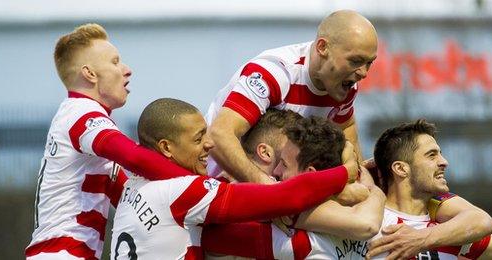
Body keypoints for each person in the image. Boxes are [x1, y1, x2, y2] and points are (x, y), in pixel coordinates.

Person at [26, 24, 208, 259]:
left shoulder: (80, 117)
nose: (127, 70)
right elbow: (134, 157)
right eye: (114, 62)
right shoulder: (81, 113)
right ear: (90, 74)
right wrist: (206, 187)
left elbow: (132, 194)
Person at [110, 98, 360, 259]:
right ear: (166, 148)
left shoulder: (132, 185)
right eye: (198, 139)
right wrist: (347, 172)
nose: (209, 144)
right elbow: (286, 197)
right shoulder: (184, 192)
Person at [206, 10, 378, 183]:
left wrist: (359, 174)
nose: (363, 73)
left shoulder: (343, 83)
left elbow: (347, 124)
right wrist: (270, 190)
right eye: (355, 61)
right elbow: (218, 135)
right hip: (215, 182)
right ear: (322, 47)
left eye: (369, 62)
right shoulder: (275, 73)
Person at [202, 116, 385, 259]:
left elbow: (366, 224)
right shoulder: (371, 208)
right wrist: (366, 189)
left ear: (311, 174)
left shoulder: (298, 231)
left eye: (284, 164)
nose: (276, 171)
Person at [367, 119, 492, 259]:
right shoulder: (368, 220)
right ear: (400, 169)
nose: (444, 162)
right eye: (431, 155)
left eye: (440, 153)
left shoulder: (448, 232)